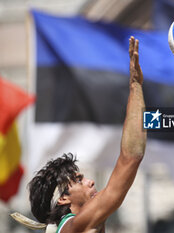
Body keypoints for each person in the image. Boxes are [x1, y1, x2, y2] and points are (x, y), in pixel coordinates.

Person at [27, 36, 146, 233]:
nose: (90, 181)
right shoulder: (79, 224)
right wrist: (136, 86)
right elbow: (131, 157)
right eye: (79, 180)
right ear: (64, 198)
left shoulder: (70, 226)